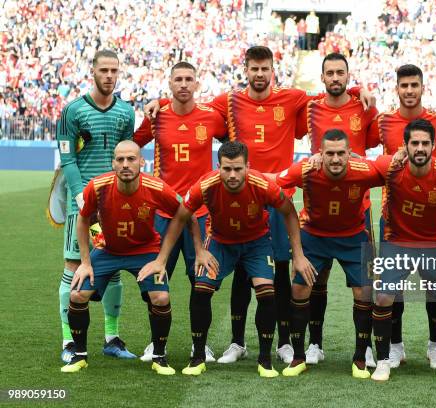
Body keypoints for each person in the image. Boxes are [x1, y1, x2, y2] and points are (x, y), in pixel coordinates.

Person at [145, 46, 374, 365]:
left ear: (272, 70)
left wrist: (355, 88)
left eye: (265, 68)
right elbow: (188, 106)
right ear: (246, 70)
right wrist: (163, 101)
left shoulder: (293, 98)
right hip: (239, 194)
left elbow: (331, 94)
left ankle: (282, 342)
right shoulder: (229, 101)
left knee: (281, 268)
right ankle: (237, 342)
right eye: (254, 68)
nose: (260, 74)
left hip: (277, 197)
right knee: (241, 267)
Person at [139, 141, 316, 377]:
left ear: (248, 167)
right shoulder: (206, 185)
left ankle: (264, 360)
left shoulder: (263, 184)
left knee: (266, 292)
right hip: (221, 243)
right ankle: (198, 356)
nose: (232, 175)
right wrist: (175, 256)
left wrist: (299, 254)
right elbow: (181, 217)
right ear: (218, 166)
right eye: (227, 169)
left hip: (256, 243)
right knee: (201, 289)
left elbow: (288, 212)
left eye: (238, 169)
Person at [61, 141, 182, 375]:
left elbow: (182, 214)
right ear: (113, 163)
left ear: (141, 162)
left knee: (160, 297)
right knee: (77, 293)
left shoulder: (156, 187)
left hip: (145, 250)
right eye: (120, 159)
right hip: (109, 250)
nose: (126, 164)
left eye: (131, 159)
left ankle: (159, 356)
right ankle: (79, 355)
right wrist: (85, 263)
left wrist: (162, 259)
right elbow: (83, 219)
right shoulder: (97, 186)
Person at [134, 61, 227, 363]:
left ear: (197, 84)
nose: (184, 84)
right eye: (178, 80)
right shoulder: (157, 116)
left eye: (189, 79)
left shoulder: (211, 118)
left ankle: (200, 344)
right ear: (170, 84)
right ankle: (154, 342)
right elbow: (133, 146)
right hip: (163, 212)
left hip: (200, 213)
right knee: (155, 281)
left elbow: (236, 141)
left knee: (201, 285)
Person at [272, 129, 384, 379]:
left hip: (355, 238)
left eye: (340, 153)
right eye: (329, 154)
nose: (335, 159)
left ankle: (360, 357)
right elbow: (274, 182)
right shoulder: (306, 170)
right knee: (300, 290)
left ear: (349, 154)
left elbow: (394, 170)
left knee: (365, 293)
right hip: (314, 237)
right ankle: (299, 356)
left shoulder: (364, 170)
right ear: (320, 154)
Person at [367, 64, 436, 368]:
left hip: (432, 220)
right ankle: (395, 346)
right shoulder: (383, 122)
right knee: (393, 288)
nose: (409, 91)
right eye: (404, 85)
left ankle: (434, 347)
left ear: (422, 87)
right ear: (397, 88)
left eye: (414, 85)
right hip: (394, 220)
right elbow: (358, 149)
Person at [295, 52, 379, 367]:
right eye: (329, 73)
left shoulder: (364, 106)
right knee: (317, 277)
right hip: (318, 202)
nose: (334, 78)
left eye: (340, 73)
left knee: (365, 283)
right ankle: (315, 343)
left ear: (347, 75)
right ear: (323, 76)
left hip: (358, 205)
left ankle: (366, 347)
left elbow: (374, 143)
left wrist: (360, 90)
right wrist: (359, 87)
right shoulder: (312, 106)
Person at [369, 118, 436, 383]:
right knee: (383, 298)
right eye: (415, 143)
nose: (420, 148)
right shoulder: (391, 168)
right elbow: (355, 162)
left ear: (434, 146)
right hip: (397, 242)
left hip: (435, 243)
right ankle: (383, 360)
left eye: (425, 143)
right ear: (406, 146)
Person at [56, 49, 135, 363]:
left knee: (113, 270)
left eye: (114, 71)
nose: (109, 76)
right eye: (104, 70)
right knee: (73, 270)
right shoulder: (73, 111)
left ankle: (112, 339)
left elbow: (127, 154)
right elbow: (67, 157)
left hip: (115, 206)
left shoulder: (126, 112)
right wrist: (79, 195)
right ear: (93, 72)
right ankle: (68, 342)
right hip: (84, 205)